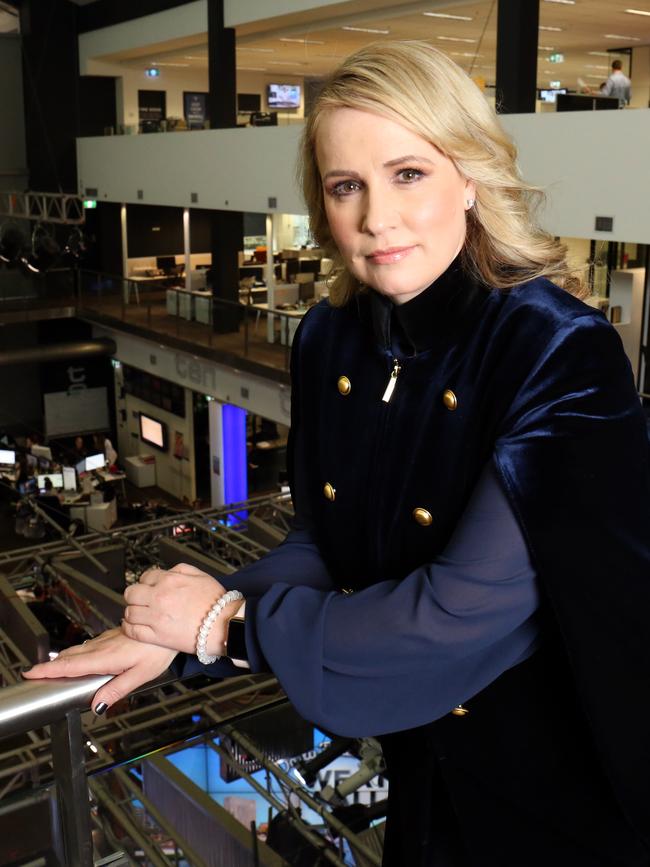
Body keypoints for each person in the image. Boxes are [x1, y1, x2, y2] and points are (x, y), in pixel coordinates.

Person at [24, 42, 650, 866]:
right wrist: (176, 630)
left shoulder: (556, 348)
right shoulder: (329, 338)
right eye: (345, 186)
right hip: (430, 777)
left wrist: (222, 626)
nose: (376, 218)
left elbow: (459, 615)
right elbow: (322, 542)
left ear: (470, 176)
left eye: (408, 174)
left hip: (568, 789)